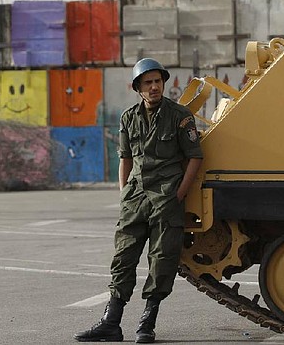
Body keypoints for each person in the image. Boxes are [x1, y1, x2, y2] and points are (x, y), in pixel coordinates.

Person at [74, 58, 203, 343]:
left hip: (166, 198)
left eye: (158, 81)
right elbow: (125, 159)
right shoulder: (128, 117)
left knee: (162, 260)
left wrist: (179, 193)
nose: (155, 86)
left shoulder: (180, 116)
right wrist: (124, 194)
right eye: (148, 82)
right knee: (123, 257)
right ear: (138, 87)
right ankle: (112, 321)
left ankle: (147, 322)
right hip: (136, 196)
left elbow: (195, 156)